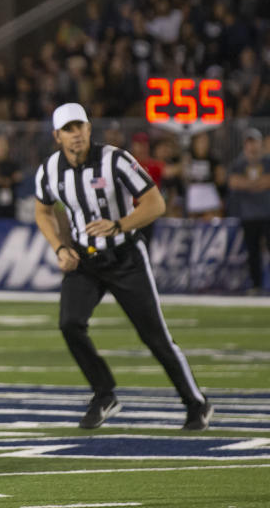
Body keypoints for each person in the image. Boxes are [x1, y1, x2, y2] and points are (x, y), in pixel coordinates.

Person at [34, 102, 213, 430]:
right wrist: (59, 247)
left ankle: (196, 402)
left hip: (125, 256)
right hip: (85, 259)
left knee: (154, 336)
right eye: (68, 129)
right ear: (57, 136)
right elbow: (42, 210)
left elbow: (155, 203)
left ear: (89, 129)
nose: (76, 135)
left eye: (80, 127)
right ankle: (104, 393)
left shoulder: (114, 159)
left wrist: (119, 225)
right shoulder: (49, 170)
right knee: (70, 323)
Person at [227, 128, 270, 296]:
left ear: (260, 143)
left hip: (267, 213)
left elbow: (267, 181)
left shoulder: (267, 161)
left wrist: (248, 184)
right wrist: (258, 183)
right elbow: (233, 182)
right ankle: (256, 284)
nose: (252, 146)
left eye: (254, 142)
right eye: (249, 142)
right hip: (248, 214)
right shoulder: (238, 164)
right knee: (252, 252)